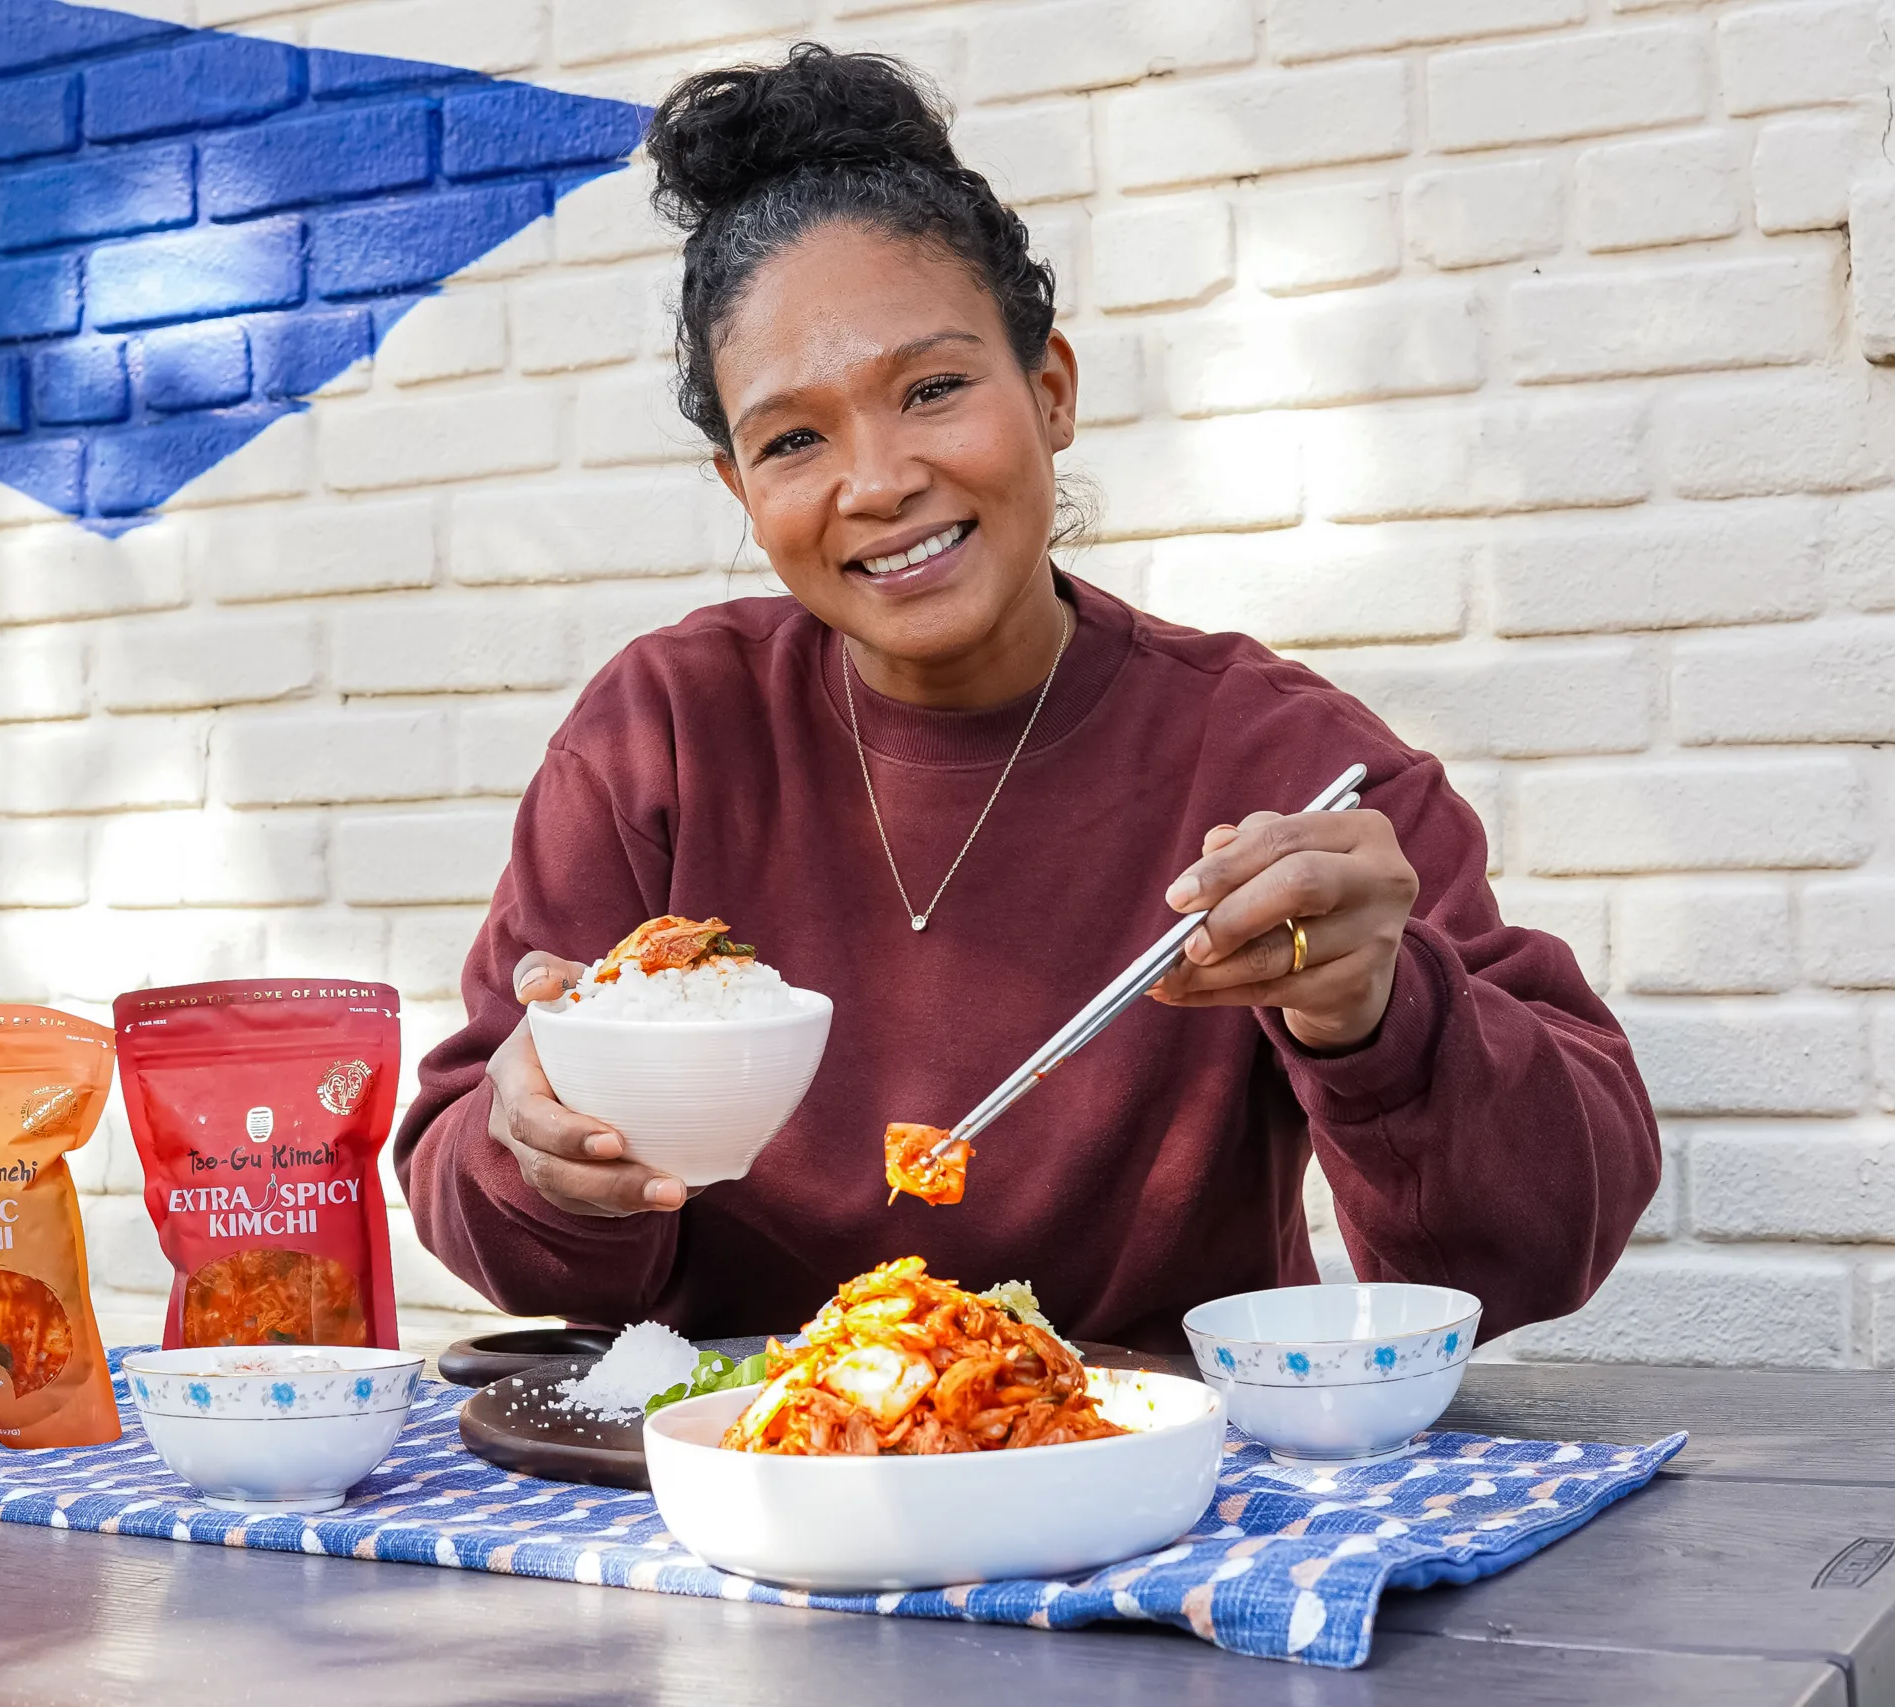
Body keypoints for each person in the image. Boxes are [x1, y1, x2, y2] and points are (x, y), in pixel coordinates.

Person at [393, 45, 1658, 1352]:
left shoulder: (1284, 763)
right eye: (793, 439)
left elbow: (1537, 1248)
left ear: (1050, 392)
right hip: (749, 1487)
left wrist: (1379, 1016)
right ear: (742, 495)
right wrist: (539, 1155)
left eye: (933, 388)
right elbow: (485, 1202)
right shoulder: (663, 733)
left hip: (1162, 1499)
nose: (875, 481)